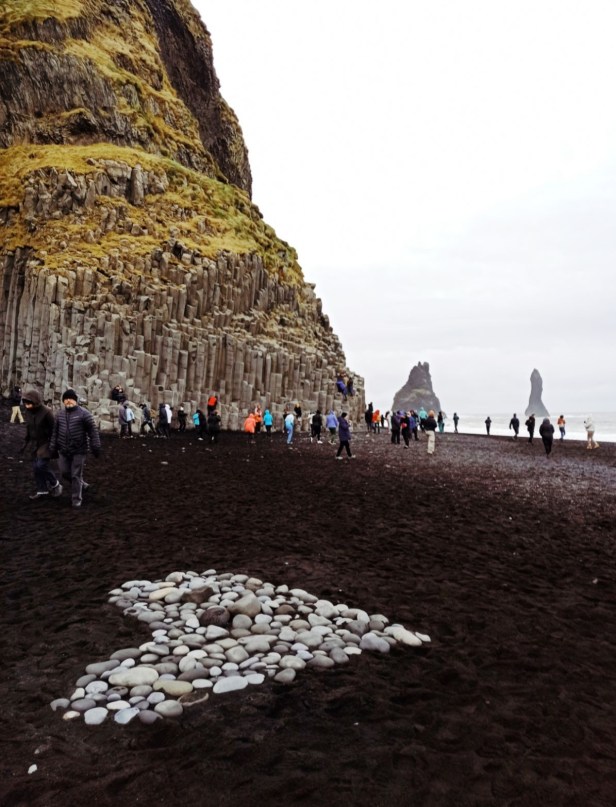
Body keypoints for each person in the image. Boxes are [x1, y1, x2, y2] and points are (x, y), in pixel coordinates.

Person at [49, 389, 101, 509]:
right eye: (66, 399)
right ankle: (82, 485)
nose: (68, 401)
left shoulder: (84, 414)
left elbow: (93, 432)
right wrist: (52, 447)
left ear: (75, 400)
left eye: (71, 399)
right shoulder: (60, 415)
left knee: (76, 474)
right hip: (63, 450)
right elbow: (55, 433)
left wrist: (96, 446)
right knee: (64, 472)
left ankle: (76, 499)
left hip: (79, 450)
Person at [21, 389, 62, 500]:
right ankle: (42, 490)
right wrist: (25, 442)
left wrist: (54, 445)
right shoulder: (28, 411)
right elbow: (29, 428)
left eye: (29, 403)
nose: (27, 405)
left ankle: (55, 484)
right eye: (25, 403)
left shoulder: (47, 412)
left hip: (46, 442)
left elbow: (54, 429)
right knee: (36, 467)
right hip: (34, 443)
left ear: (35, 401)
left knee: (41, 465)